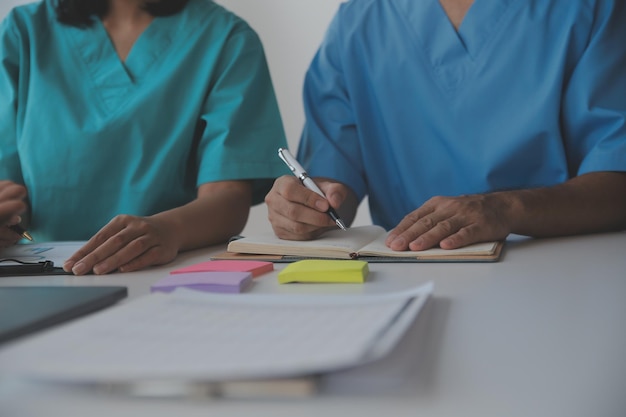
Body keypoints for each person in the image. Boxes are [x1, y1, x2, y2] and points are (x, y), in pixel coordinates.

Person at [265, 0, 626, 251]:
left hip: (561, 268)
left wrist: (507, 209)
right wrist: (304, 208)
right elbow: (331, 189)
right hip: (409, 269)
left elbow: (616, 182)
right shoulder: (356, 24)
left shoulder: (590, 9)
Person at [0, 0, 287, 274]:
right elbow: (11, 195)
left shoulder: (226, 38)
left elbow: (227, 198)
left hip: (165, 272)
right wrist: (7, 221)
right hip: (41, 274)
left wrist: (170, 230)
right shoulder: (23, 31)